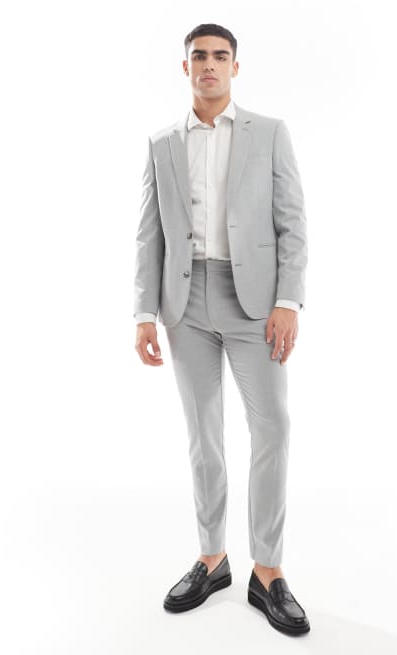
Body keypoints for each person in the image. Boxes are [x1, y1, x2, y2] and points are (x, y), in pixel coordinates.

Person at [133, 23, 310, 636]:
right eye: (199, 56)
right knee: (203, 435)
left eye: (220, 56)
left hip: (255, 302)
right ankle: (212, 559)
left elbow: (293, 224)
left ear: (235, 66)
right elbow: (149, 234)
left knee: (273, 427)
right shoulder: (162, 143)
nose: (209, 65)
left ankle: (268, 570)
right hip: (185, 305)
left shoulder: (270, 133)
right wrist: (144, 313)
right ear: (185, 67)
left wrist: (288, 301)